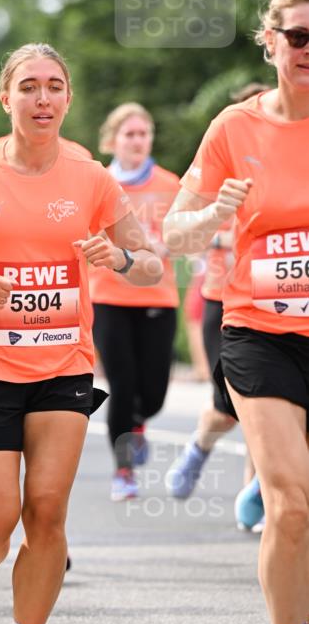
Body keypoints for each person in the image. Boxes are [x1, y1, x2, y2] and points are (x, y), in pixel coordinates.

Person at [0, 43, 163, 624]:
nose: (43, 99)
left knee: (48, 512)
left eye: (55, 86)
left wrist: (114, 259)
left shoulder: (91, 179)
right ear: (6, 98)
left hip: (63, 365)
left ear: (69, 98)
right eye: (28, 87)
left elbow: (151, 264)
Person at [163, 0, 309, 624]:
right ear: (271, 41)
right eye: (298, 37)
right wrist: (213, 213)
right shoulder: (234, 128)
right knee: (289, 502)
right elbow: (174, 231)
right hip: (258, 331)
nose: (308, 50)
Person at [165, 84, 269, 517]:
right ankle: (199, 446)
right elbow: (183, 236)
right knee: (229, 413)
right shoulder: (225, 164)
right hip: (225, 304)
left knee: (277, 409)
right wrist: (221, 223)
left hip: (287, 309)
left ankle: (259, 491)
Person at [89, 103, 180, 501]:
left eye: (144, 133)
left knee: (154, 390)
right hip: (108, 295)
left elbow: (185, 234)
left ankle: (140, 420)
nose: (138, 141)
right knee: (122, 385)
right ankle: (123, 471)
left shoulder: (169, 183)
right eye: (130, 134)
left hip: (158, 293)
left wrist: (165, 244)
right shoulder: (98, 184)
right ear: (112, 140)